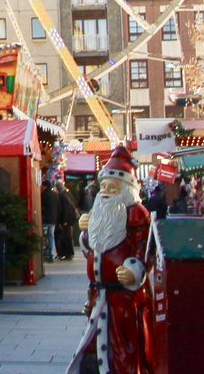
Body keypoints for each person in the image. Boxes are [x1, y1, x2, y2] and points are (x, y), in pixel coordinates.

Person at [68, 146, 154, 374]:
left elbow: (144, 248)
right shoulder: (100, 209)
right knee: (96, 343)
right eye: (103, 186)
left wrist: (135, 269)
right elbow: (93, 249)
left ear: (126, 189)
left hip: (124, 297)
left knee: (124, 347)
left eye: (112, 187)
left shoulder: (137, 213)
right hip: (99, 294)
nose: (105, 191)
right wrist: (85, 234)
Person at [55, 183, 79, 261]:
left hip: (67, 219)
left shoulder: (62, 196)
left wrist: (63, 221)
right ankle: (69, 253)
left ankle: (68, 253)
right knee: (69, 236)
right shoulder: (69, 194)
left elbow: (65, 209)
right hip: (72, 218)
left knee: (66, 236)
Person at [40, 180, 59, 261]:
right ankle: (52, 253)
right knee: (51, 236)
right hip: (53, 219)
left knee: (44, 236)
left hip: (45, 219)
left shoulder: (43, 195)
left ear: (45, 186)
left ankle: (44, 253)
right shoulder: (55, 195)